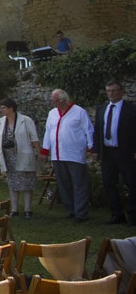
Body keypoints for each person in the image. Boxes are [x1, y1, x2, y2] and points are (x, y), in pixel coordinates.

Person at [40, 89, 93, 222]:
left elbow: (89, 130)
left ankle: (81, 213)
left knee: (79, 184)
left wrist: (92, 148)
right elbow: (48, 132)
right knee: (64, 184)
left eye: (55, 100)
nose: (53, 103)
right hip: (57, 155)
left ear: (63, 100)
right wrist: (45, 150)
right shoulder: (52, 113)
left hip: (74, 154)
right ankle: (71, 210)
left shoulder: (79, 112)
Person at [0, 98, 39, 217]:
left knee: (27, 182)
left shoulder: (25, 120)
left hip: (23, 154)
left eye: (3, 107)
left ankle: (27, 209)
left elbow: (34, 138)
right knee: (13, 182)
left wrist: (40, 154)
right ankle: (14, 209)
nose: (1, 110)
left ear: (11, 108)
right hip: (8, 155)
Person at [93, 80, 136, 225]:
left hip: (125, 152)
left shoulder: (131, 110)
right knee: (109, 184)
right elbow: (98, 130)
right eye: (108, 91)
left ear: (121, 92)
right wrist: (96, 149)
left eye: (114, 90)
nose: (111, 93)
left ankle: (133, 215)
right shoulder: (102, 109)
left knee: (131, 183)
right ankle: (117, 215)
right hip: (108, 152)